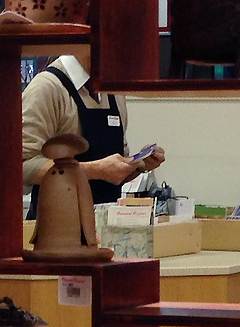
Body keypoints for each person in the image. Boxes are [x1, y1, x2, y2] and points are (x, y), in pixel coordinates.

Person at [21, 50, 164, 212]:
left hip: (104, 229)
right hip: (57, 228)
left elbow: (114, 173)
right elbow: (22, 165)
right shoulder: (47, 88)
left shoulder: (113, 93)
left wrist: (139, 164)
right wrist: (96, 170)